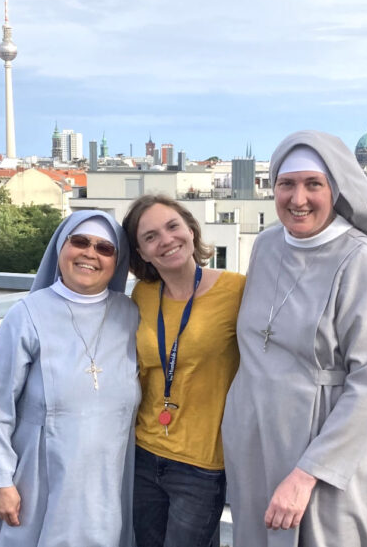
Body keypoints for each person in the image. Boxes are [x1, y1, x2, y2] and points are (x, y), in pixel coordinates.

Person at [222, 131, 367, 546]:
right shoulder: (266, 244)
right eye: (286, 184)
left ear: (336, 188)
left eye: (314, 184)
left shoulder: (365, 261)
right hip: (260, 446)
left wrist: (309, 471)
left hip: (330, 451)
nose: (298, 199)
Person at [0, 210, 140, 547]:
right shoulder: (27, 314)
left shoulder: (131, 314)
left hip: (109, 477)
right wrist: (0, 483)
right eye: (80, 242)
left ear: (117, 262)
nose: (90, 253)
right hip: (39, 478)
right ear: (61, 248)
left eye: (105, 249)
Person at [122, 195, 245, 547]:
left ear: (191, 230)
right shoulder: (142, 295)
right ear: (142, 253)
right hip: (143, 452)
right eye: (150, 237)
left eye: (173, 226)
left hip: (202, 464)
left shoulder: (236, 290)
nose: (166, 240)